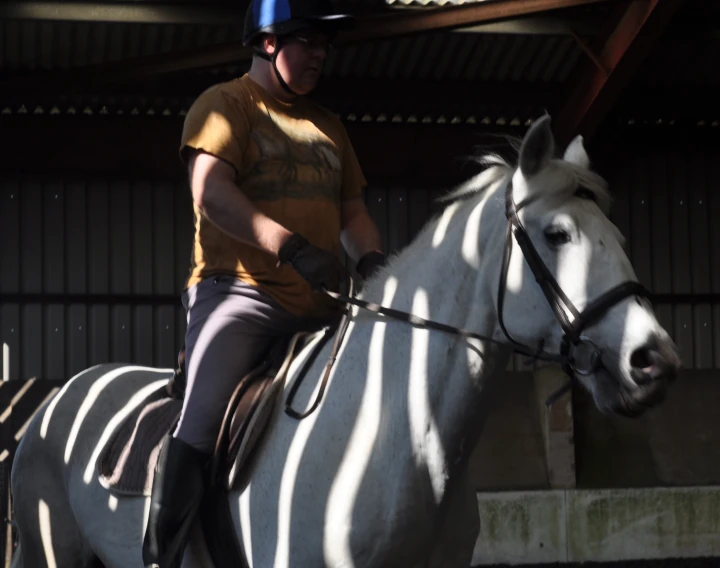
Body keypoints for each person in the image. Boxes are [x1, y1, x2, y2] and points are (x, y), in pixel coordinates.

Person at [142, 0, 385, 565]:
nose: (320, 54)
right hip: (240, 295)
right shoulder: (225, 106)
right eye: (308, 41)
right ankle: (162, 552)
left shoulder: (329, 127)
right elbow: (211, 190)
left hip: (323, 304)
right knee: (200, 420)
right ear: (269, 43)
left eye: (325, 45)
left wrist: (373, 261)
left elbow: (353, 212)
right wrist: (289, 246)